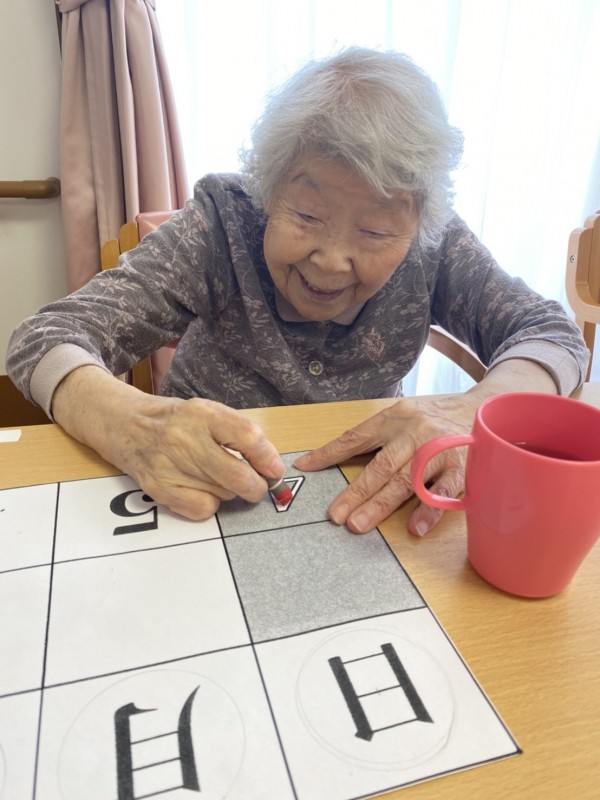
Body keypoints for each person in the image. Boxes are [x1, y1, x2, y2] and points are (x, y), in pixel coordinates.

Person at [6, 47, 588, 537]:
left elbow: (553, 333)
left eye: (375, 232)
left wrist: (469, 410)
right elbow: (44, 338)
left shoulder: (434, 245)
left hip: (362, 502)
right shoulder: (222, 224)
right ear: (269, 187)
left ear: (414, 223)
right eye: (307, 215)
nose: (331, 260)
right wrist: (133, 425)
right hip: (199, 492)